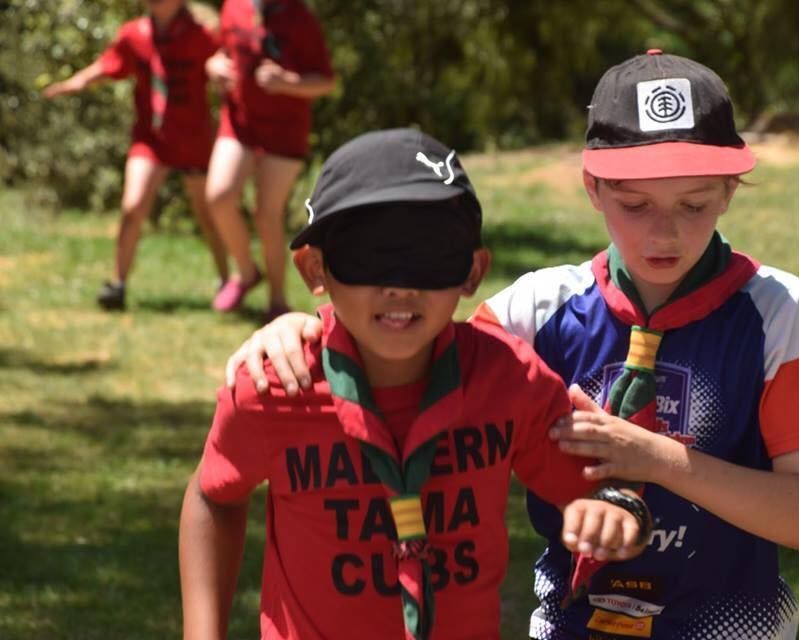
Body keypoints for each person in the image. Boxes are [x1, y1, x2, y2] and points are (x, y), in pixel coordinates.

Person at [222, 51, 799, 639]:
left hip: (733, 628)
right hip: (570, 627)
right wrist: (306, 327)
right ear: (591, 187)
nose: (665, 232)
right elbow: (401, 352)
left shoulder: (783, 313)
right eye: (634, 203)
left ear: (731, 190)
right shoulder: (535, 308)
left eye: (695, 204)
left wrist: (656, 459)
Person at [179, 128, 652, 640]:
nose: (399, 285)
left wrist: (610, 513)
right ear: (316, 268)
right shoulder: (277, 384)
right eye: (366, 256)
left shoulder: (508, 378)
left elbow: (606, 494)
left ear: (472, 271)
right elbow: (214, 494)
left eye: (429, 256)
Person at [43, 0, 229, 311]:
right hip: (150, 139)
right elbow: (109, 64)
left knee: (207, 216)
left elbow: (228, 63)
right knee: (132, 206)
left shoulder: (202, 34)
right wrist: (76, 82)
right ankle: (117, 285)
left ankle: (227, 281)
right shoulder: (134, 34)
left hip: (192, 138)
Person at [204, 0, 336, 321]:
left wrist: (287, 83)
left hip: (285, 130)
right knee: (219, 196)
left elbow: (325, 81)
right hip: (239, 122)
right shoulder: (232, 7)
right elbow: (220, 53)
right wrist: (213, 67)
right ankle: (247, 273)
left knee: (267, 214)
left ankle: (277, 300)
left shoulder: (300, 17)